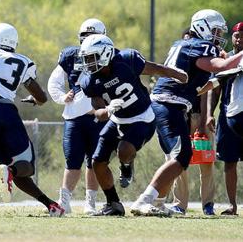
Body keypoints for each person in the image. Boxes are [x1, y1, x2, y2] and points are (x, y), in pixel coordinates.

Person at [136, 9, 243, 216]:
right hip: (169, 105)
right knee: (180, 156)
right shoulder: (199, 46)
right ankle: (145, 200)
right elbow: (220, 66)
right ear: (202, 27)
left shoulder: (184, 44)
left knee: (179, 157)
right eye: (216, 31)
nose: (218, 37)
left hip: (170, 104)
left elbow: (202, 84)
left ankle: (156, 202)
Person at [77, 34, 188, 216]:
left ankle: (126, 165)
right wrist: (107, 110)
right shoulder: (90, 80)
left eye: (92, 57)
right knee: (97, 162)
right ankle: (113, 203)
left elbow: (155, 69)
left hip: (142, 117)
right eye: (86, 58)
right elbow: (98, 110)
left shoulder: (127, 60)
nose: (88, 63)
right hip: (117, 119)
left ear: (105, 53)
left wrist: (176, 74)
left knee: (124, 149)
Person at [0, 23, 64, 217]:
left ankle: (49, 204)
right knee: (24, 166)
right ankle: (11, 171)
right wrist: (35, 100)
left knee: (10, 168)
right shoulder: (23, 61)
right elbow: (42, 97)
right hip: (5, 111)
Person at [46, 18, 106, 214]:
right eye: (86, 37)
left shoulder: (110, 57)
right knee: (72, 161)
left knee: (94, 162)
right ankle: (64, 201)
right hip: (74, 118)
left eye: (93, 37)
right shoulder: (71, 55)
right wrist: (63, 97)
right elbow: (54, 83)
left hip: (98, 116)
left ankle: (91, 203)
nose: (89, 41)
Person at [169, 28, 219, 216]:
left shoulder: (203, 62)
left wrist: (205, 119)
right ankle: (180, 204)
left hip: (199, 115)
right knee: (178, 161)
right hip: (180, 115)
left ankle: (208, 204)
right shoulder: (176, 64)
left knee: (206, 161)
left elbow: (207, 91)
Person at [205, 21, 243, 215]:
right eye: (237, 36)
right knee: (229, 161)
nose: (239, 39)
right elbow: (215, 87)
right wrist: (210, 113)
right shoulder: (224, 59)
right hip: (227, 115)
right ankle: (233, 205)